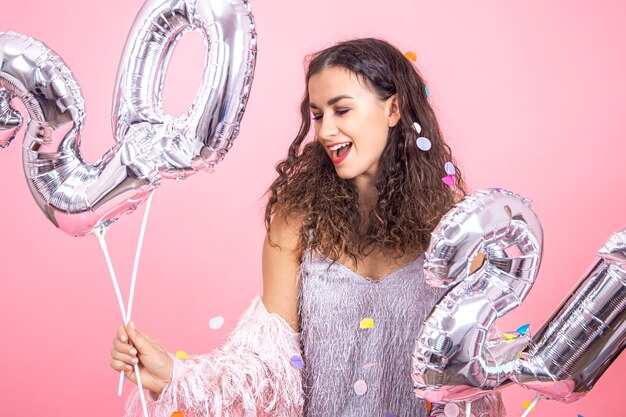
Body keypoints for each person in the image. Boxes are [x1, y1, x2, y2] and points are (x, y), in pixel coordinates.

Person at [110, 37, 506, 417]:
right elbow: (266, 365)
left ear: (393, 109)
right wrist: (176, 377)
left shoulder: (455, 223)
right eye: (317, 115)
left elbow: (468, 376)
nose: (326, 130)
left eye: (342, 110)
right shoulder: (298, 218)